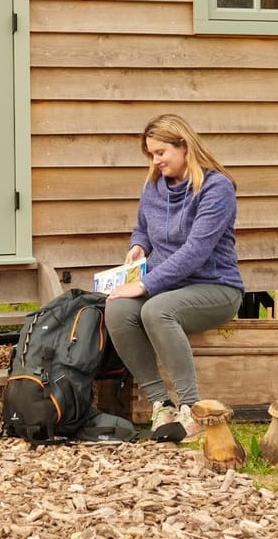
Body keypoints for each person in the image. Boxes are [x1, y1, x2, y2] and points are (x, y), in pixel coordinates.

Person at [104, 113, 244, 441]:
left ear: (184, 146)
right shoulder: (154, 186)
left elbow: (195, 251)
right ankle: (161, 405)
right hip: (167, 285)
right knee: (117, 309)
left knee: (156, 310)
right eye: (151, 154)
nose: (155, 161)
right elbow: (143, 227)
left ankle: (191, 409)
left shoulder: (216, 188)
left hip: (215, 287)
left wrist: (143, 284)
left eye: (161, 152)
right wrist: (139, 246)